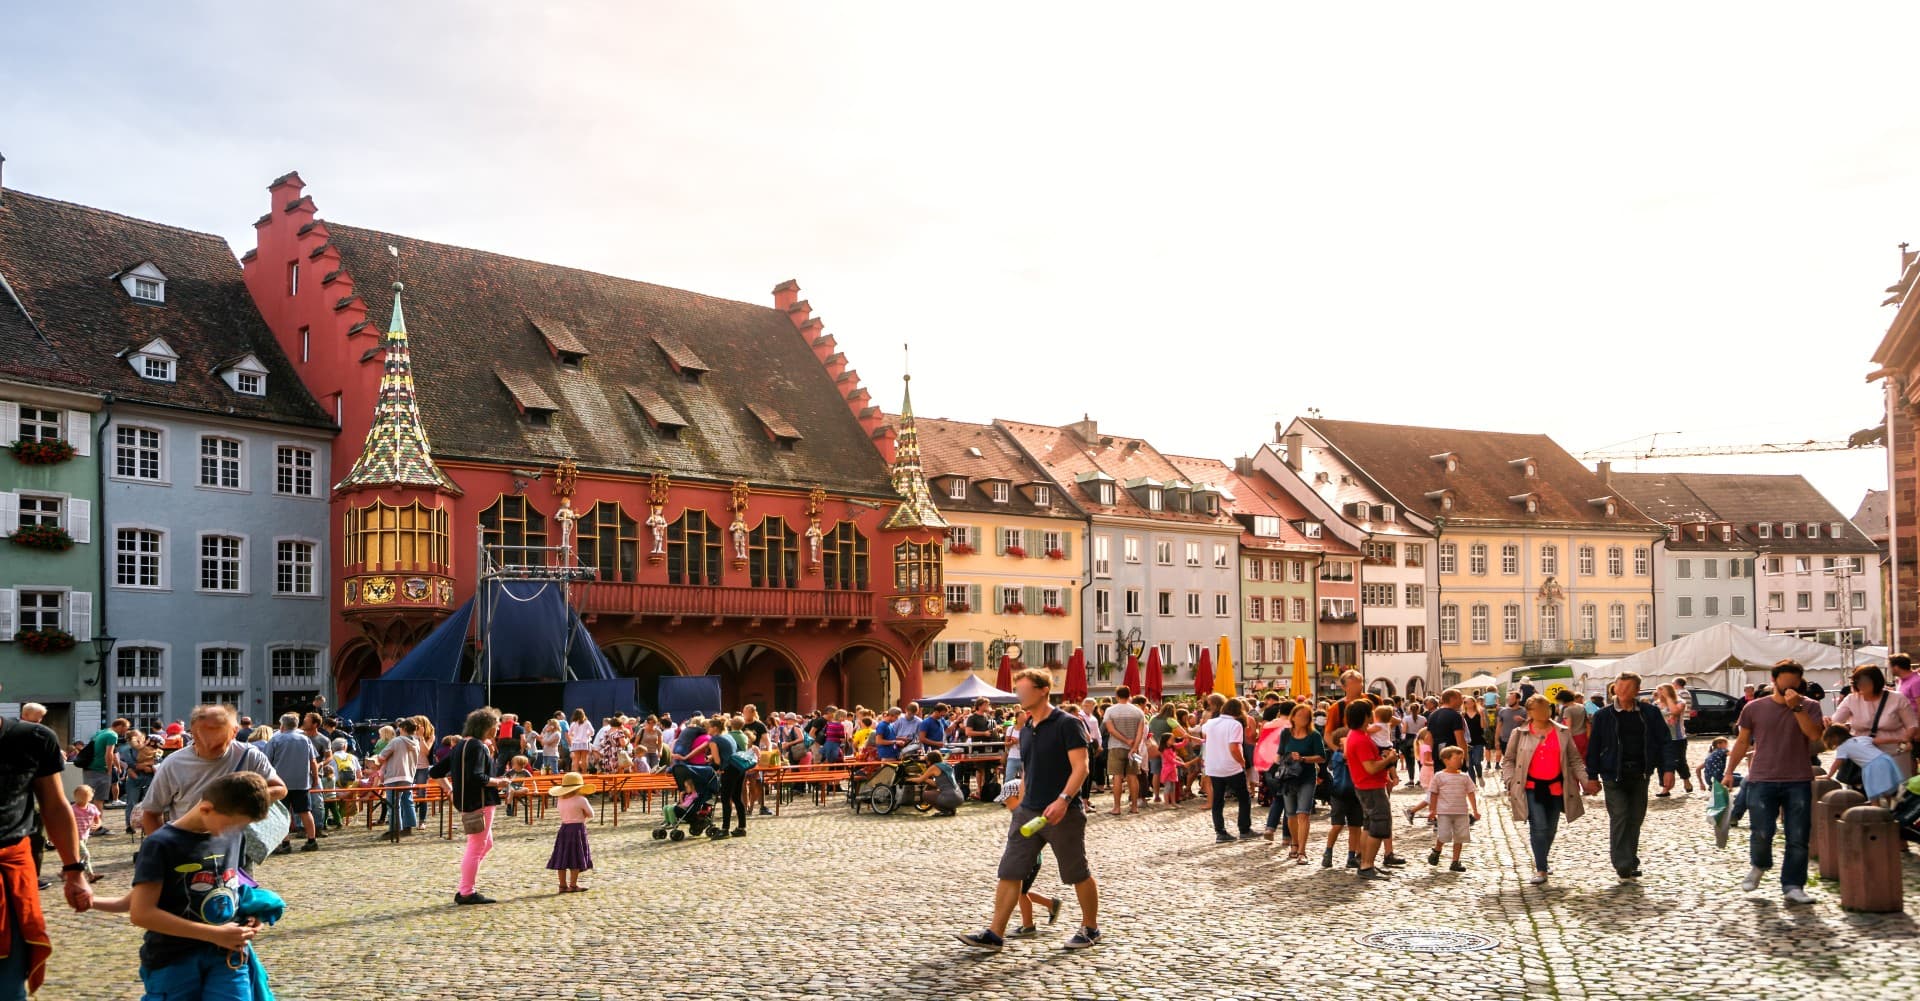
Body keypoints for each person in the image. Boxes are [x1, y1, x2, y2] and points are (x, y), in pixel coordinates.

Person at [87, 773, 273, 1000]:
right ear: (206, 809)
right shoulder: (161, 845)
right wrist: (214, 934)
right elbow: (141, 912)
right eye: (233, 824)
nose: (236, 831)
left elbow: (234, 886)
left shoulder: (235, 836)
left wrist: (252, 915)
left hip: (227, 956)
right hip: (174, 959)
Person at [956, 667, 1100, 952]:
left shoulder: (1067, 724)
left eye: (1023, 689)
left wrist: (1063, 800)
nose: (1018, 694)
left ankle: (1090, 928)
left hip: (1063, 811)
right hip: (1028, 811)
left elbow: (1081, 767)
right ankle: (995, 934)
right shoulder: (1027, 728)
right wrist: (1021, 802)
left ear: (1043, 690)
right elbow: (1026, 769)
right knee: (1010, 871)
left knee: (1076, 872)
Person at [0, 706, 92, 998]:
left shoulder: (34, 738)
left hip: (9, 876)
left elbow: (54, 806)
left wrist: (74, 871)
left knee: (8, 986)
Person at [1722, 660, 1826, 905]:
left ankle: (1793, 885)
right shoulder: (1754, 708)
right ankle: (1759, 865)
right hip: (1761, 778)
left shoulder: (1810, 706)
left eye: (1795, 681)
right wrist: (1729, 771)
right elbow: (1742, 741)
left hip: (1798, 778)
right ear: (1774, 680)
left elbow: (1814, 736)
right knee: (1761, 832)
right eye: (1785, 680)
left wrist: (1797, 708)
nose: (1790, 685)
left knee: (1798, 836)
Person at [139, 705, 288, 836]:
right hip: (188, 842)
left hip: (237, 841)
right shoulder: (173, 764)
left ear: (234, 732)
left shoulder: (249, 755)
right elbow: (151, 813)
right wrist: (162, 847)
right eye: (201, 737)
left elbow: (280, 789)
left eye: (217, 741)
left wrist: (242, 800)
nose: (208, 745)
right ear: (192, 732)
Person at [1582, 671, 1668, 882]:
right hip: (1613, 774)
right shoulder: (1604, 715)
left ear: (1637, 690)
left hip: (1640, 773)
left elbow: (1664, 741)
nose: (1622, 691)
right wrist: (1591, 776)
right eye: (1619, 687)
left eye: (1628, 688)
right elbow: (1594, 747)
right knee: (1620, 816)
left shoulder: (1649, 713)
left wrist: (1668, 770)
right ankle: (1623, 865)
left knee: (1635, 818)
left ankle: (1630, 859)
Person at [1502, 693, 1587, 886]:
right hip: (1531, 787)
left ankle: (1543, 860)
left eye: (1547, 707)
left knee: (1550, 829)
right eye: (1539, 709)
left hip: (1556, 786)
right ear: (1530, 712)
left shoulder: (1562, 732)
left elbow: (1574, 759)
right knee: (1538, 827)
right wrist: (1509, 780)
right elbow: (1509, 760)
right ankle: (1541, 868)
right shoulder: (1520, 733)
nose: (1544, 712)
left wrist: (1585, 779)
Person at [431, 707, 510, 905]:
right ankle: (467, 891)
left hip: (467, 801)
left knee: (486, 844)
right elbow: (478, 777)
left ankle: (466, 883)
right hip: (479, 802)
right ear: (488, 727)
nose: (498, 729)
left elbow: (436, 772)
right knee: (475, 848)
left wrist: (450, 791)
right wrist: (498, 782)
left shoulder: (460, 745)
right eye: (496, 725)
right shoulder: (478, 747)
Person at [1343, 701, 1402, 879]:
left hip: (1365, 785)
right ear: (1365, 716)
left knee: (1368, 825)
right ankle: (1367, 865)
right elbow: (1370, 768)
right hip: (1371, 786)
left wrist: (1381, 757)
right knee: (1379, 825)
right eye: (1370, 713)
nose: (1372, 716)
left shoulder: (1356, 735)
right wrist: (1389, 758)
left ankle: (1364, 861)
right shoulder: (1360, 739)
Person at [1262, 703, 1326, 863]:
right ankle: (1294, 845)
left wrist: (1304, 759)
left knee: (1303, 813)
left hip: (1307, 777)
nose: (1302, 718)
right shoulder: (1286, 733)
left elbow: (1322, 757)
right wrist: (1275, 769)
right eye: (1299, 715)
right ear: (1293, 717)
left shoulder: (1314, 735)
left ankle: (1302, 852)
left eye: (1306, 716)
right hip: (1288, 778)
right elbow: (1279, 753)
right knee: (1290, 814)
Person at [1831, 665, 1918, 780]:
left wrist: (1904, 742)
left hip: (1894, 751)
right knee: (1865, 789)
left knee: (1896, 789)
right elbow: (1836, 722)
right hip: (1863, 754)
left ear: (1876, 682)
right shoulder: (1851, 699)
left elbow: (1912, 725)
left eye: (1864, 682)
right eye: (1857, 683)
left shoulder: (1897, 698)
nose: (1861, 686)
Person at [1201, 697, 1254, 843]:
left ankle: (1220, 832)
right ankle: (1244, 829)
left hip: (1213, 766)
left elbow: (1203, 734)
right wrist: (1242, 762)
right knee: (1243, 798)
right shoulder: (1235, 724)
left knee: (1218, 800)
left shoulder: (1210, 723)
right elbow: (1234, 747)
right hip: (1231, 767)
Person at [265, 713, 320, 854]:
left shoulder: (275, 740)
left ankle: (285, 842)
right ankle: (312, 840)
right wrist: (315, 778)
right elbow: (313, 761)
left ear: (282, 725)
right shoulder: (305, 739)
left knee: (282, 814)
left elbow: (267, 762)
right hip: (302, 782)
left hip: (280, 783)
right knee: (305, 811)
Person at [1424, 747, 1479, 872]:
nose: (1460, 761)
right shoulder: (1439, 776)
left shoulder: (1464, 777)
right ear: (1446, 760)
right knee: (1444, 835)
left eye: (1461, 758)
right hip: (1444, 812)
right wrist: (1432, 810)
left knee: (1460, 837)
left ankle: (1455, 861)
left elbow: (1471, 793)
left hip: (1461, 812)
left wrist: (1475, 810)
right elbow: (1433, 793)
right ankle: (1437, 850)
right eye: (1456, 758)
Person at [371, 718, 422, 843]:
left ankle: (394, 829)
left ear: (403, 729)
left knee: (393, 804)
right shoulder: (416, 742)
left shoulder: (397, 741)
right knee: (407, 801)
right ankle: (408, 827)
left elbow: (382, 756)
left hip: (394, 776)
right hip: (408, 776)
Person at [545, 771, 596, 893]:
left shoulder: (560, 800)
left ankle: (562, 885)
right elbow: (591, 814)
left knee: (562, 856)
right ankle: (573, 885)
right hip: (578, 829)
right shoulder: (581, 800)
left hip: (564, 828)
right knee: (576, 856)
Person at [1824, 725, 1903, 801]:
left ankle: (1875, 809)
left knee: (1873, 793)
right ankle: (1890, 807)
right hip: (1885, 759)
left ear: (1835, 737)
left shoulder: (1842, 747)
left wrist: (1828, 775)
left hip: (1871, 765)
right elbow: (1883, 740)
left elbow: (1837, 763)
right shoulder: (1862, 738)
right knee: (1886, 787)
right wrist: (1900, 739)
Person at [1102, 686, 1147, 816]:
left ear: (1117, 696)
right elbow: (1140, 732)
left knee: (1117, 777)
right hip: (1135, 749)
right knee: (1133, 777)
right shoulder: (1138, 712)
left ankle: (1117, 807)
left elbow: (1110, 730)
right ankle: (1134, 807)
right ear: (1129, 695)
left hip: (1115, 747)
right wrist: (1134, 746)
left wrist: (1125, 740)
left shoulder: (1110, 710)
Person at [80, 718, 128, 808]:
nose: (127, 730)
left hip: (89, 766)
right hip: (100, 768)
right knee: (99, 800)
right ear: (121, 726)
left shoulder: (102, 732)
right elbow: (109, 754)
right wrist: (109, 770)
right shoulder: (112, 735)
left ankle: (84, 817)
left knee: (88, 796)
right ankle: (97, 821)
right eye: (126, 728)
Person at [1653, 684, 1692, 796]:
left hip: (1677, 738)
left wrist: (1669, 697)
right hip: (1661, 738)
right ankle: (1665, 788)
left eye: (1662, 690)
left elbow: (1675, 711)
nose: (1659, 692)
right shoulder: (1656, 704)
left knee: (1679, 762)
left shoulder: (1680, 702)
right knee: (1661, 763)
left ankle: (1686, 780)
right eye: (1658, 690)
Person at [914, 750, 965, 816]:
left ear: (930, 760)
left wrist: (909, 779)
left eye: (927, 761)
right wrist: (926, 780)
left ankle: (945, 811)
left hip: (950, 797)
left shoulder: (934, 767)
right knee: (941, 792)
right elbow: (936, 784)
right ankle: (951, 809)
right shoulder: (946, 764)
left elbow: (920, 780)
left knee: (925, 795)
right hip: (960, 797)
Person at [1427, 688, 1468, 765]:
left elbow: (1429, 738)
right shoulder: (1455, 715)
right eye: (1460, 698)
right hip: (1452, 755)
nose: (1462, 701)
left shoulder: (1432, 715)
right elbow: (1460, 740)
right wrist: (1465, 759)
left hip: (1437, 754)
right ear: (1452, 699)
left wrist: (1428, 756)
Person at [68, 786, 100, 881]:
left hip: (85, 835)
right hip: (74, 836)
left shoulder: (92, 808)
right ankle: (91, 875)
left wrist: (97, 825)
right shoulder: (72, 809)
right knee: (85, 854)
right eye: (79, 796)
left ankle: (66, 872)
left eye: (85, 796)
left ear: (90, 797)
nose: (81, 799)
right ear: (75, 797)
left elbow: (98, 819)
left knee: (78, 857)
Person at [1555, 689, 1590, 758]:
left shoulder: (1567, 710)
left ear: (1563, 700)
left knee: (1575, 759)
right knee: (1583, 757)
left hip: (1574, 738)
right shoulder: (1581, 706)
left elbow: (1568, 727)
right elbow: (1587, 722)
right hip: (1583, 735)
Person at [567, 709, 595, 773]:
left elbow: (569, 733)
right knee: (584, 759)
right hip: (584, 742)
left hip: (576, 743)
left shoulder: (573, 723)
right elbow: (592, 732)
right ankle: (584, 773)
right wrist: (587, 734)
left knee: (576, 759)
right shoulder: (587, 722)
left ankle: (576, 773)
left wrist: (574, 735)